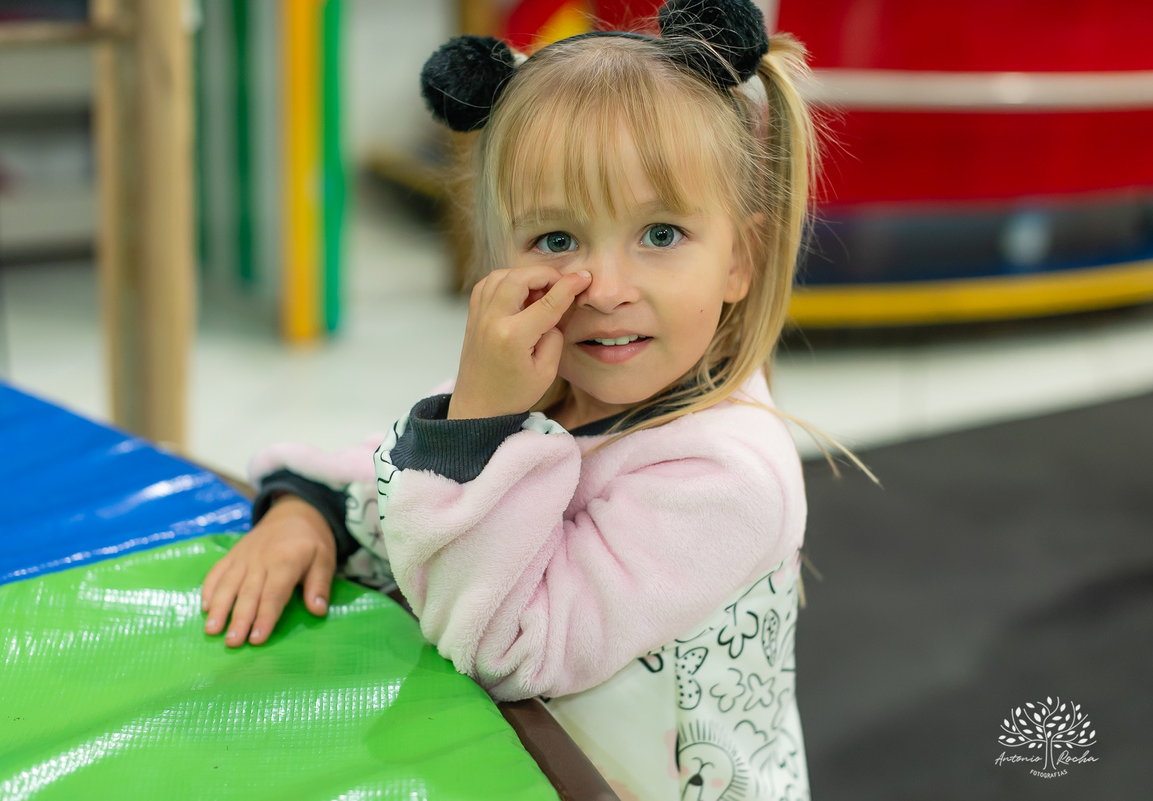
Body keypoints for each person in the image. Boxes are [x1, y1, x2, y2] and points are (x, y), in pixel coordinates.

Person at [202, 1, 854, 798]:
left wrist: (480, 422)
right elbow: (397, 475)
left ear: (739, 261)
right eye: (556, 240)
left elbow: (507, 648)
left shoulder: (727, 477)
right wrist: (307, 507)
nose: (607, 291)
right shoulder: (542, 385)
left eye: (660, 234)